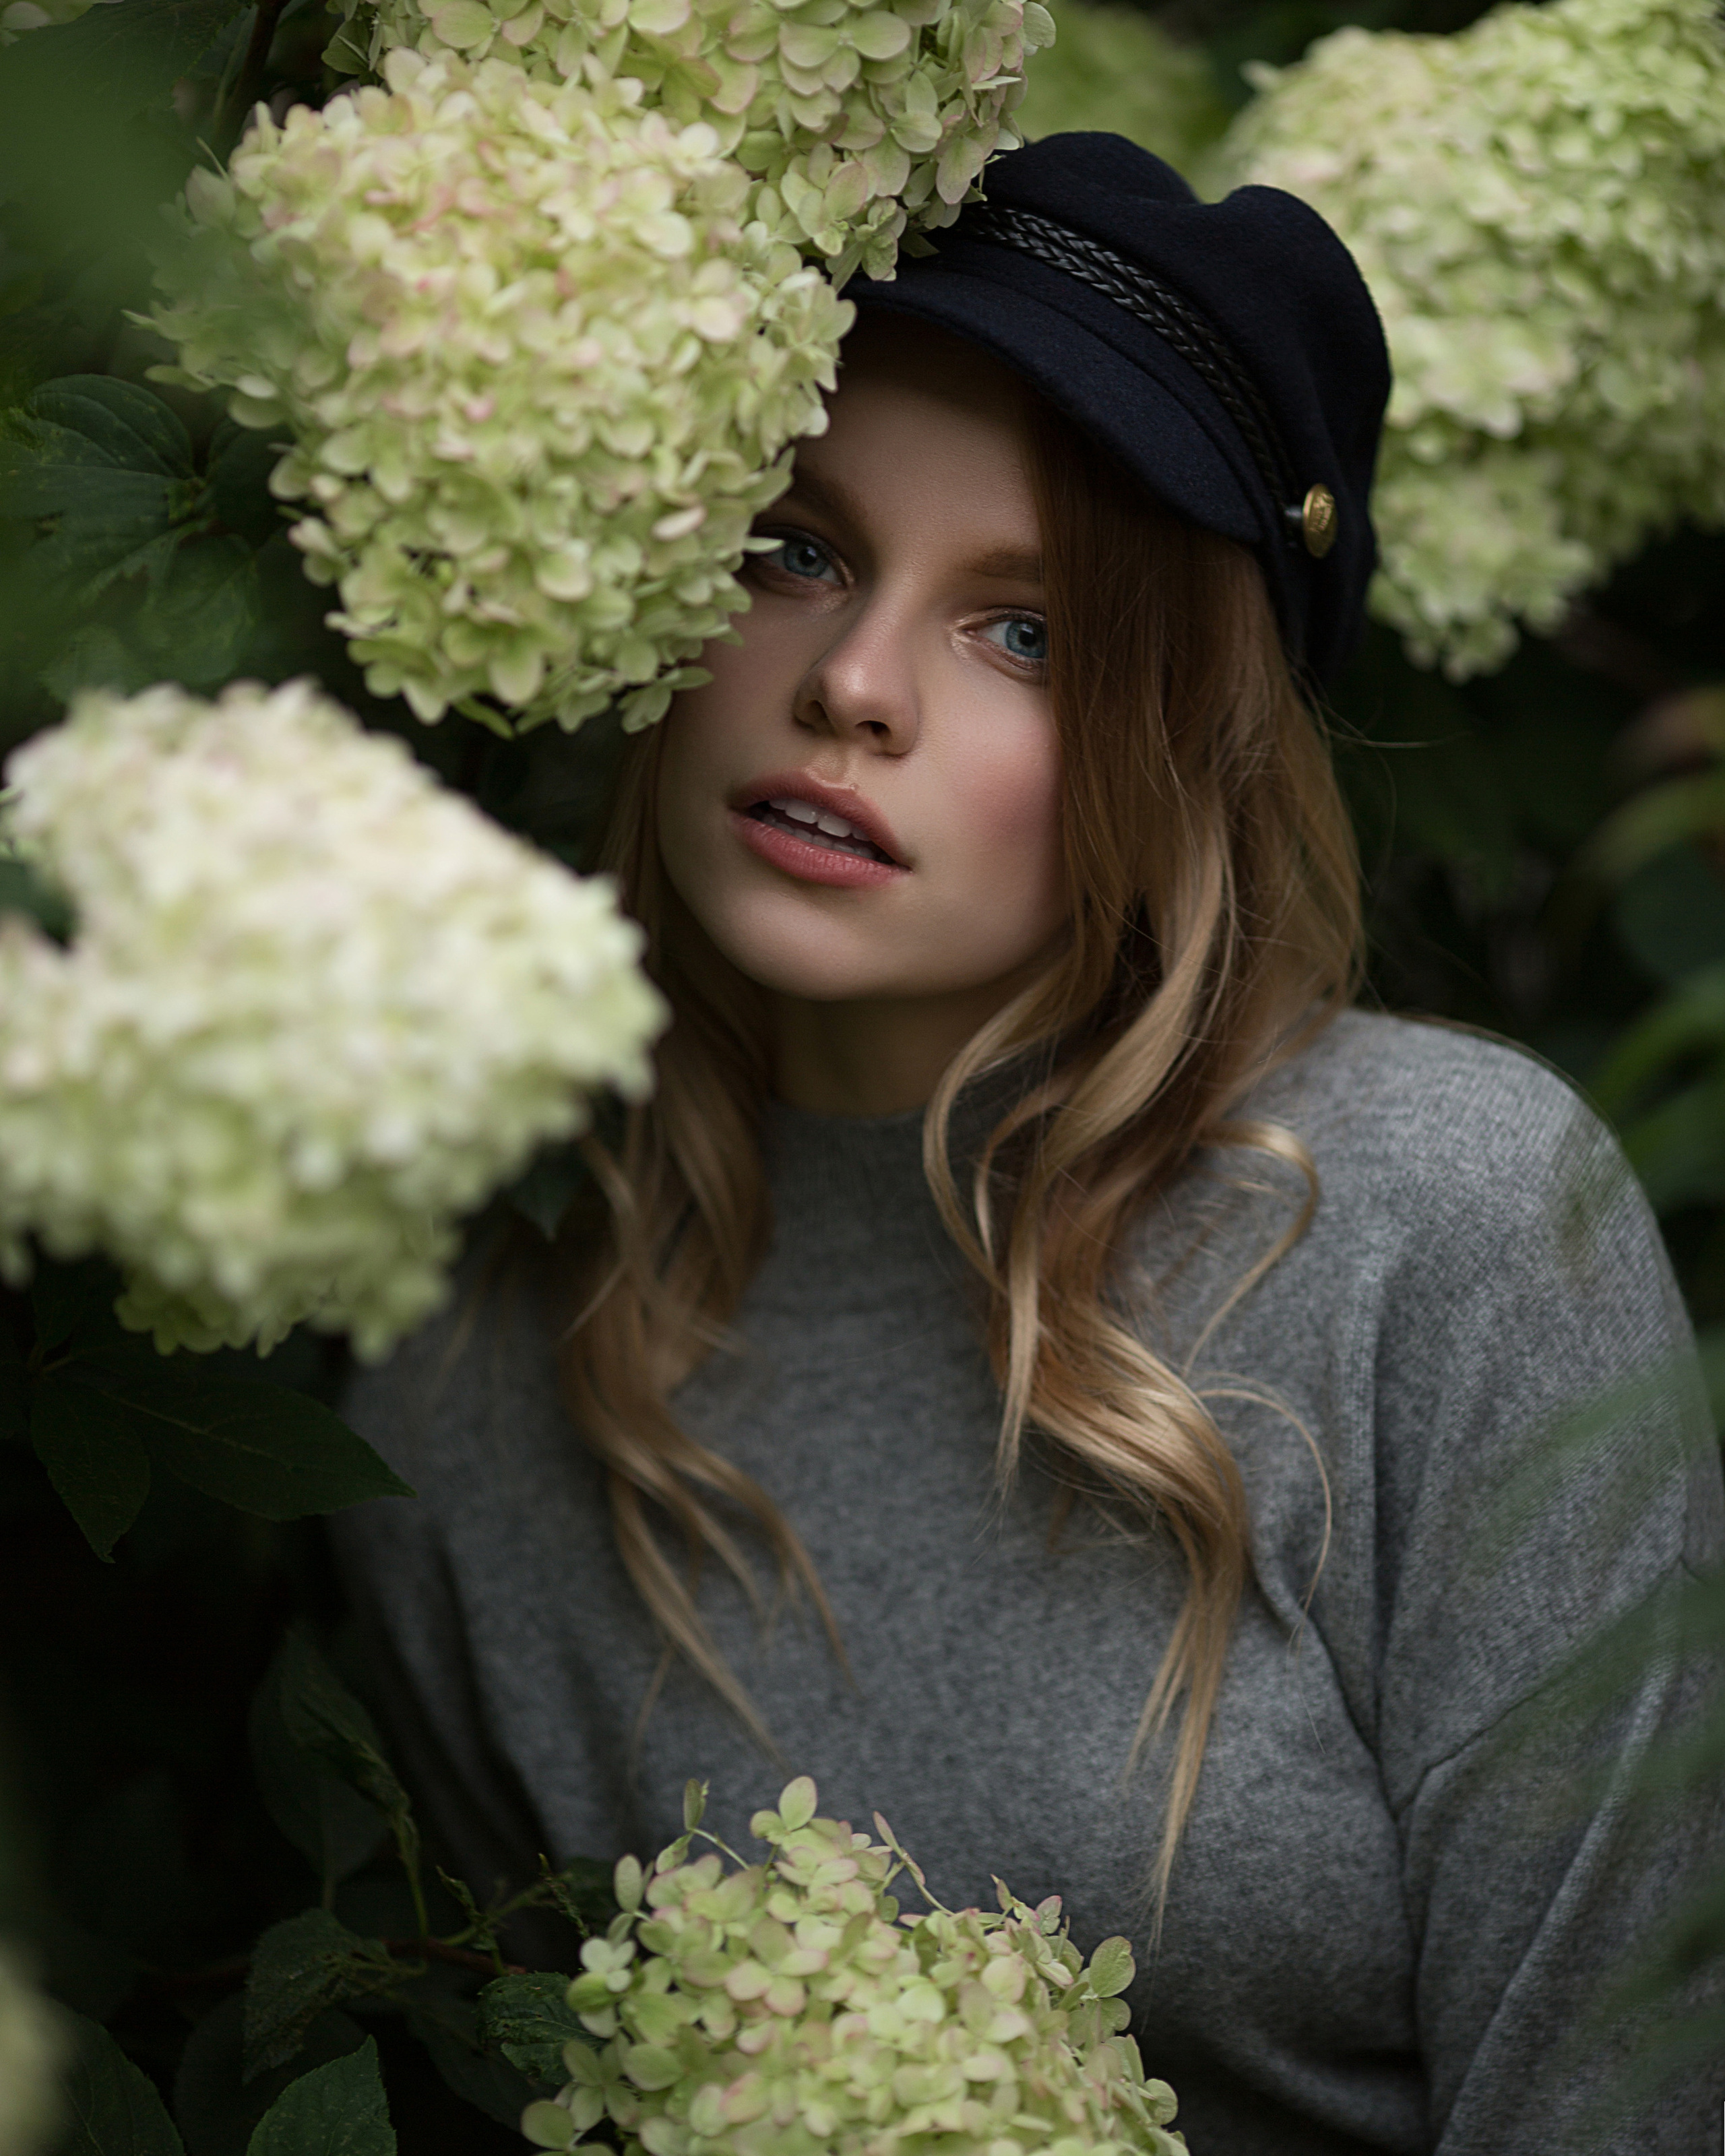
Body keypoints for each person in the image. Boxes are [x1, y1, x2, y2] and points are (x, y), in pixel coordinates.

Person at [330, 135, 1724, 2151]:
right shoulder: (455, 1387)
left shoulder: (1453, 1221)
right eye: (795, 552)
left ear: (1185, 742)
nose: (851, 687)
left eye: (1029, 635)